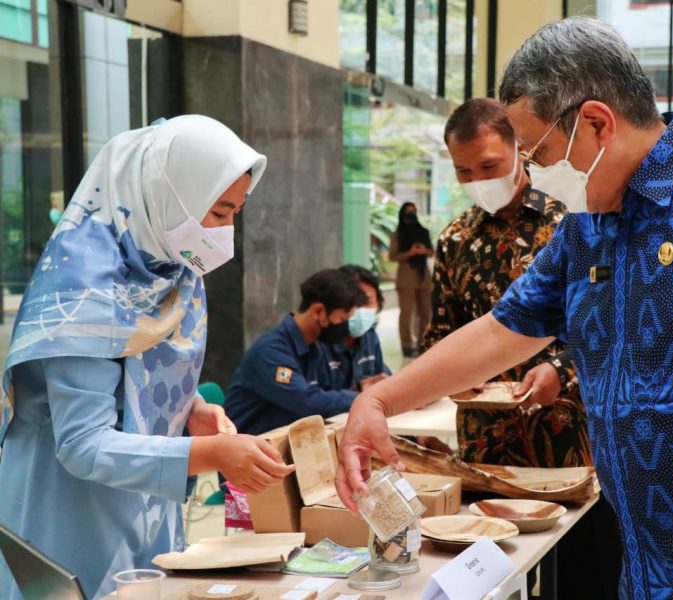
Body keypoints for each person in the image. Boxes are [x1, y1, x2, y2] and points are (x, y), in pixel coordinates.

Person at [336, 17, 673, 599]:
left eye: (539, 151)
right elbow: (505, 329)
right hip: (656, 567)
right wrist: (380, 398)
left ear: (596, 123)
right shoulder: (589, 225)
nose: (535, 172)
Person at [0, 116, 294, 600]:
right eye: (218, 212)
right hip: (66, 511)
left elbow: (137, 368)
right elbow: (83, 444)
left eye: (236, 213)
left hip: (140, 498)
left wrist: (192, 408)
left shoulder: (166, 269)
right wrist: (213, 455)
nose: (226, 231)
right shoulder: (84, 290)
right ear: (167, 194)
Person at [428, 97, 621, 598]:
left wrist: (561, 367)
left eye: (489, 165)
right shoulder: (455, 239)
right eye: (464, 171)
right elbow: (440, 333)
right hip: (486, 446)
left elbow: (610, 321)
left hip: (572, 442)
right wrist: (454, 377)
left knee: (583, 576)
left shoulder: (576, 220)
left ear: (520, 148)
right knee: (491, 578)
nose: (478, 180)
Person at [225, 268, 367, 436]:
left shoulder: (316, 347)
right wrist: (364, 399)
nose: (345, 327)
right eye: (343, 319)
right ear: (319, 311)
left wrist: (363, 387)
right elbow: (308, 402)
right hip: (246, 450)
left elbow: (328, 393)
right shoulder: (270, 352)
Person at [323, 265, 392, 392]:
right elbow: (313, 399)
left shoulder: (370, 337)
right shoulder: (321, 341)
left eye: (367, 301)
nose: (358, 310)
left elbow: (384, 379)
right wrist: (358, 392)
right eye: (354, 302)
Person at [389, 202, 433, 358]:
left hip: (424, 277)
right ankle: (407, 345)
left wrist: (423, 251)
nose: (411, 214)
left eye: (413, 211)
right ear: (402, 214)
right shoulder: (397, 235)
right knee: (406, 314)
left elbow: (432, 251)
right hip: (406, 278)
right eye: (408, 212)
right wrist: (410, 252)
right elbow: (393, 256)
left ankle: (424, 343)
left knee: (425, 313)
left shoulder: (424, 232)